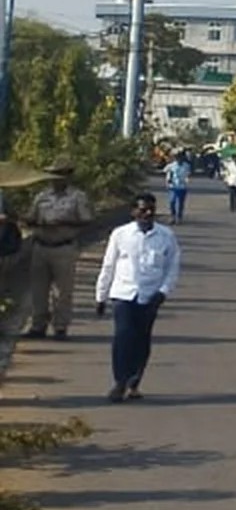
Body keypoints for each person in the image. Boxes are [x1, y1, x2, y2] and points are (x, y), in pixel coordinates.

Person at [94, 193, 180, 402]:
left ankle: (134, 382)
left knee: (142, 340)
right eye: (142, 210)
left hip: (150, 296)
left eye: (151, 209)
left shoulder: (166, 236)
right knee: (123, 336)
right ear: (133, 212)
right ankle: (119, 382)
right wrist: (101, 296)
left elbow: (172, 267)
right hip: (123, 293)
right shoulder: (120, 234)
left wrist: (163, 292)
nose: (147, 214)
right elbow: (108, 265)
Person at [22, 162, 93, 340]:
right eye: (53, 175)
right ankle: (38, 326)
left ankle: (60, 327)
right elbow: (31, 218)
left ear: (68, 176)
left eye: (61, 175)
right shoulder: (41, 197)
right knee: (39, 290)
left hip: (64, 247)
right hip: (41, 246)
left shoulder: (77, 197)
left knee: (62, 292)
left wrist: (63, 223)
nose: (56, 179)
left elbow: (87, 221)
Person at [162, 154, 193, 223]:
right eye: (178, 159)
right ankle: (172, 216)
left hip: (182, 186)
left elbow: (188, 174)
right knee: (172, 201)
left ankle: (179, 217)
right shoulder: (172, 165)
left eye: (181, 158)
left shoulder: (186, 165)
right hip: (173, 186)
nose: (179, 160)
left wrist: (187, 179)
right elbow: (165, 171)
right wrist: (168, 178)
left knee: (180, 203)